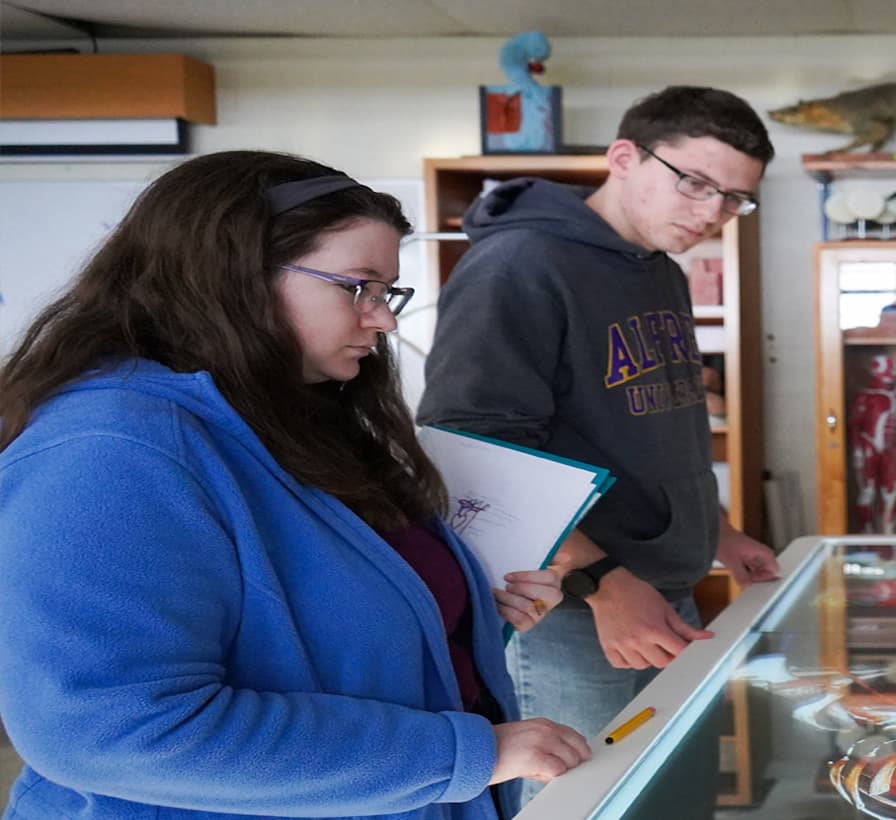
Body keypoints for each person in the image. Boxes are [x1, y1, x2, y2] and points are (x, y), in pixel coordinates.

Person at [0, 151, 589, 819]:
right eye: (356, 286)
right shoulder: (107, 451)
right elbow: (115, 729)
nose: (384, 320)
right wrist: (464, 754)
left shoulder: (291, 410)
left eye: (388, 292)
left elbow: (288, 614)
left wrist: (449, 610)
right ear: (230, 275)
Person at [417, 86, 782, 807]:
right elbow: (471, 451)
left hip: (661, 592)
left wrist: (722, 532)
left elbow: (659, 429)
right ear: (623, 157)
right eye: (697, 183)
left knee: (671, 794)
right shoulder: (518, 266)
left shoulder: (659, 270)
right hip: (575, 612)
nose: (713, 212)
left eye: (735, 198)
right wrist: (604, 584)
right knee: (593, 801)